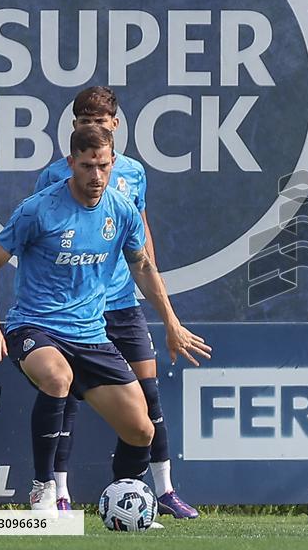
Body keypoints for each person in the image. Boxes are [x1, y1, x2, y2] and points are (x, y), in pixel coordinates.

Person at [0, 124, 212, 514]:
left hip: (91, 334)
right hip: (35, 326)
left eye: (103, 165)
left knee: (141, 430)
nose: (96, 176)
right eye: (87, 166)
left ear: (113, 162)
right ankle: (43, 488)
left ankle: (125, 502)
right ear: (71, 163)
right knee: (57, 377)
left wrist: (171, 321)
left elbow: (142, 267)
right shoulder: (39, 209)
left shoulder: (121, 210)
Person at [32, 86, 197, 518]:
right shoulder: (54, 176)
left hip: (123, 302)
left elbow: (141, 242)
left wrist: (163, 309)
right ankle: (59, 493)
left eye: (100, 122)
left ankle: (156, 492)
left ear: (114, 126)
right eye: (84, 122)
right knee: (65, 395)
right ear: (74, 130)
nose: (93, 128)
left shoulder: (134, 173)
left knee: (147, 394)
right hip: (76, 308)